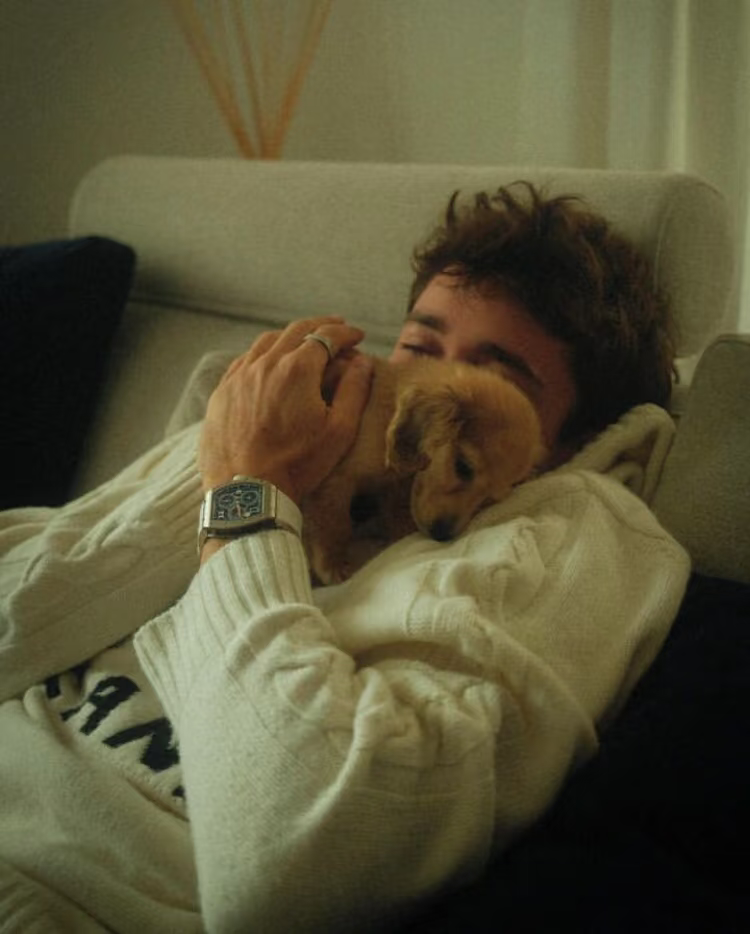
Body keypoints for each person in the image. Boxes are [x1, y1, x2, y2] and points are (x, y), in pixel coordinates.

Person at [0, 183, 690, 933]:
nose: (429, 396)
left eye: (491, 383)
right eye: (417, 348)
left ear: (562, 447)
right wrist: (226, 462)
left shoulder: (566, 542)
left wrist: (243, 497)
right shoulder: (273, 434)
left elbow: (302, 860)